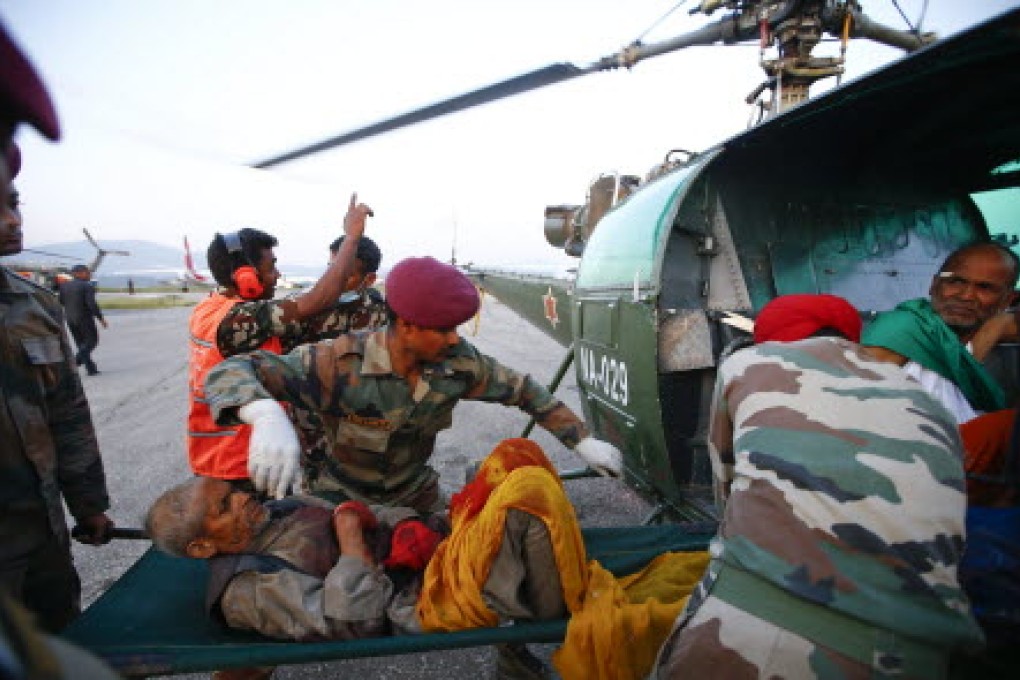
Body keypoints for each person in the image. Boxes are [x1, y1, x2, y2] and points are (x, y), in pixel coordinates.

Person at [146, 439, 707, 680]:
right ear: (203, 547)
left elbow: (377, 514)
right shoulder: (248, 590)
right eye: (225, 505)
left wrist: (417, 524)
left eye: (233, 491)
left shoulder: (281, 510)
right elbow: (351, 621)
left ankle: (534, 564)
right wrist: (349, 536)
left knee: (510, 458)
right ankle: (548, 597)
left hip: (430, 556)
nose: (244, 495)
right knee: (526, 492)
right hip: (422, 600)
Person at [654, 294, 984, 679]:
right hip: (918, 652)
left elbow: (728, 491)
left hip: (760, 629)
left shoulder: (749, 364)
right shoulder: (927, 401)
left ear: (768, 338)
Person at [203, 255, 624, 507]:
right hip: (340, 499)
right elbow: (233, 369)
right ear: (405, 325)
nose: (454, 339)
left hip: (414, 496)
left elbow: (526, 391)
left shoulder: (458, 364)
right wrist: (263, 414)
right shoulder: (339, 360)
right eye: (442, 329)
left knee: (480, 569)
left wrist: (582, 440)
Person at [0, 25, 114, 635]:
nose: (11, 220)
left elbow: (67, 413)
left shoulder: (34, 305)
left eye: (13, 202)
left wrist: (87, 502)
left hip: (41, 540)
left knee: (62, 641)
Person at [186, 194, 373, 487]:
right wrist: (351, 238)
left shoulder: (210, 308)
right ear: (245, 276)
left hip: (220, 458)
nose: (277, 274)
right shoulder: (240, 319)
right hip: (243, 462)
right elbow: (316, 300)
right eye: (271, 266)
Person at [861, 241, 1019, 423]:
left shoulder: (963, 347)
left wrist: (993, 331)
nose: (966, 295)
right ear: (934, 285)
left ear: (1008, 300)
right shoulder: (902, 328)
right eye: (955, 281)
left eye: (984, 288)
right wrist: (994, 329)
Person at [58, 264, 106, 375]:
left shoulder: (64, 286)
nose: (89, 274)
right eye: (87, 272)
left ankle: (91, 369)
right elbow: (92, 304)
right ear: (77, 274)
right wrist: (100, 318)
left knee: (81, 344)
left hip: (70, 319)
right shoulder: (87, 286)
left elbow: (61, 302)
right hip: (84, 318)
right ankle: (74, 362)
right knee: (92, 341)